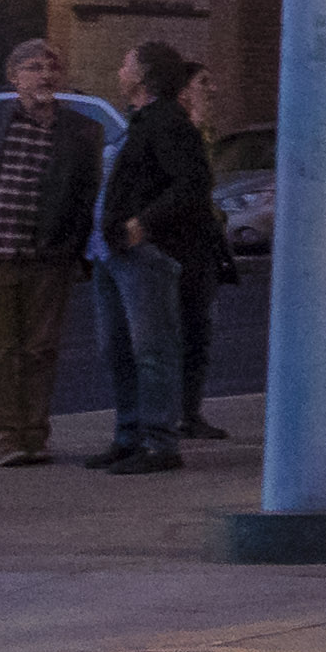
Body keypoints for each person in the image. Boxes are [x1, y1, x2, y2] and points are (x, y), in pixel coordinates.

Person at [0, 40, 108, 466]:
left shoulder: (82, 130)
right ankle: (3, 438)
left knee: (40, 350)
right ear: (13, 77)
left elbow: (85, 195)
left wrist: (72, 251)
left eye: (53, 67)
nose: (46, 75)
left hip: (47, 260)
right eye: (34, 68)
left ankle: (34, 434)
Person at [92, 47, 229, 475]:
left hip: (144, 256)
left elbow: (192, 183)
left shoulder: (168, 122)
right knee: (118, 349)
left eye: (126, 62)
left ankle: (159, 442)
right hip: (113, 253)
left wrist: (142, 224)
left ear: (144, 77)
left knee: (152, 350)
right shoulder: (139, 122)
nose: (120, 69)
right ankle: (128, 436)